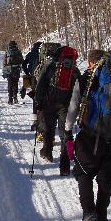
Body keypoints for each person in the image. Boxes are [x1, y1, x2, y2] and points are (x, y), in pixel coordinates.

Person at [65, 49, 111, 221]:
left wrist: (67, 129)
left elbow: (73, 106)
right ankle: (102, 218)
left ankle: (88, 213)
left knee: (83, 173)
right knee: (105, 178)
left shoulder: (86, 78)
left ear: (90, 63)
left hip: (90, 136)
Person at [33, 45, 80, 176]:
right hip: (66, 105)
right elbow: (78, 90)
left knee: (48, 128)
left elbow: (41, 84)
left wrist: (38, 101)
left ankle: (47, 153)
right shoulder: (74, 70)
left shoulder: (51, 66)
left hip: (49, 102)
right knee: (65, 132)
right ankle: (65, 166)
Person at [22, 41, 42, 130]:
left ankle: (34, 122)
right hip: (44, 78)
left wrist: (27, 73)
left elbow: (23, 64)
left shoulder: (30, 54)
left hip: (33, 78)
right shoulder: (43, 55)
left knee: (35, 99)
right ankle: (43, 120)